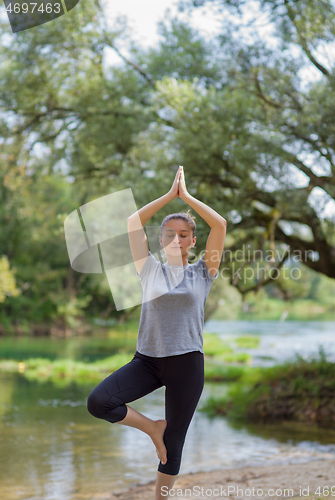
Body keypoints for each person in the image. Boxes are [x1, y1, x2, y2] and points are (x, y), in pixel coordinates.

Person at [87, 165, 226, 500]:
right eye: (168, 234)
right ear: (160, 240)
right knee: (99, 402)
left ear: (194, 241)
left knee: (173, 446)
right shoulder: (147, 268)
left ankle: (159, 498)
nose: (175, 239)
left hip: (187, 364)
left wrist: (186, 196)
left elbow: (219, 225)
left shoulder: (203, 272)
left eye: (183, 234)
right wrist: (168, 196)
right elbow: (133, 223)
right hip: (147, 361)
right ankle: (152, 427)